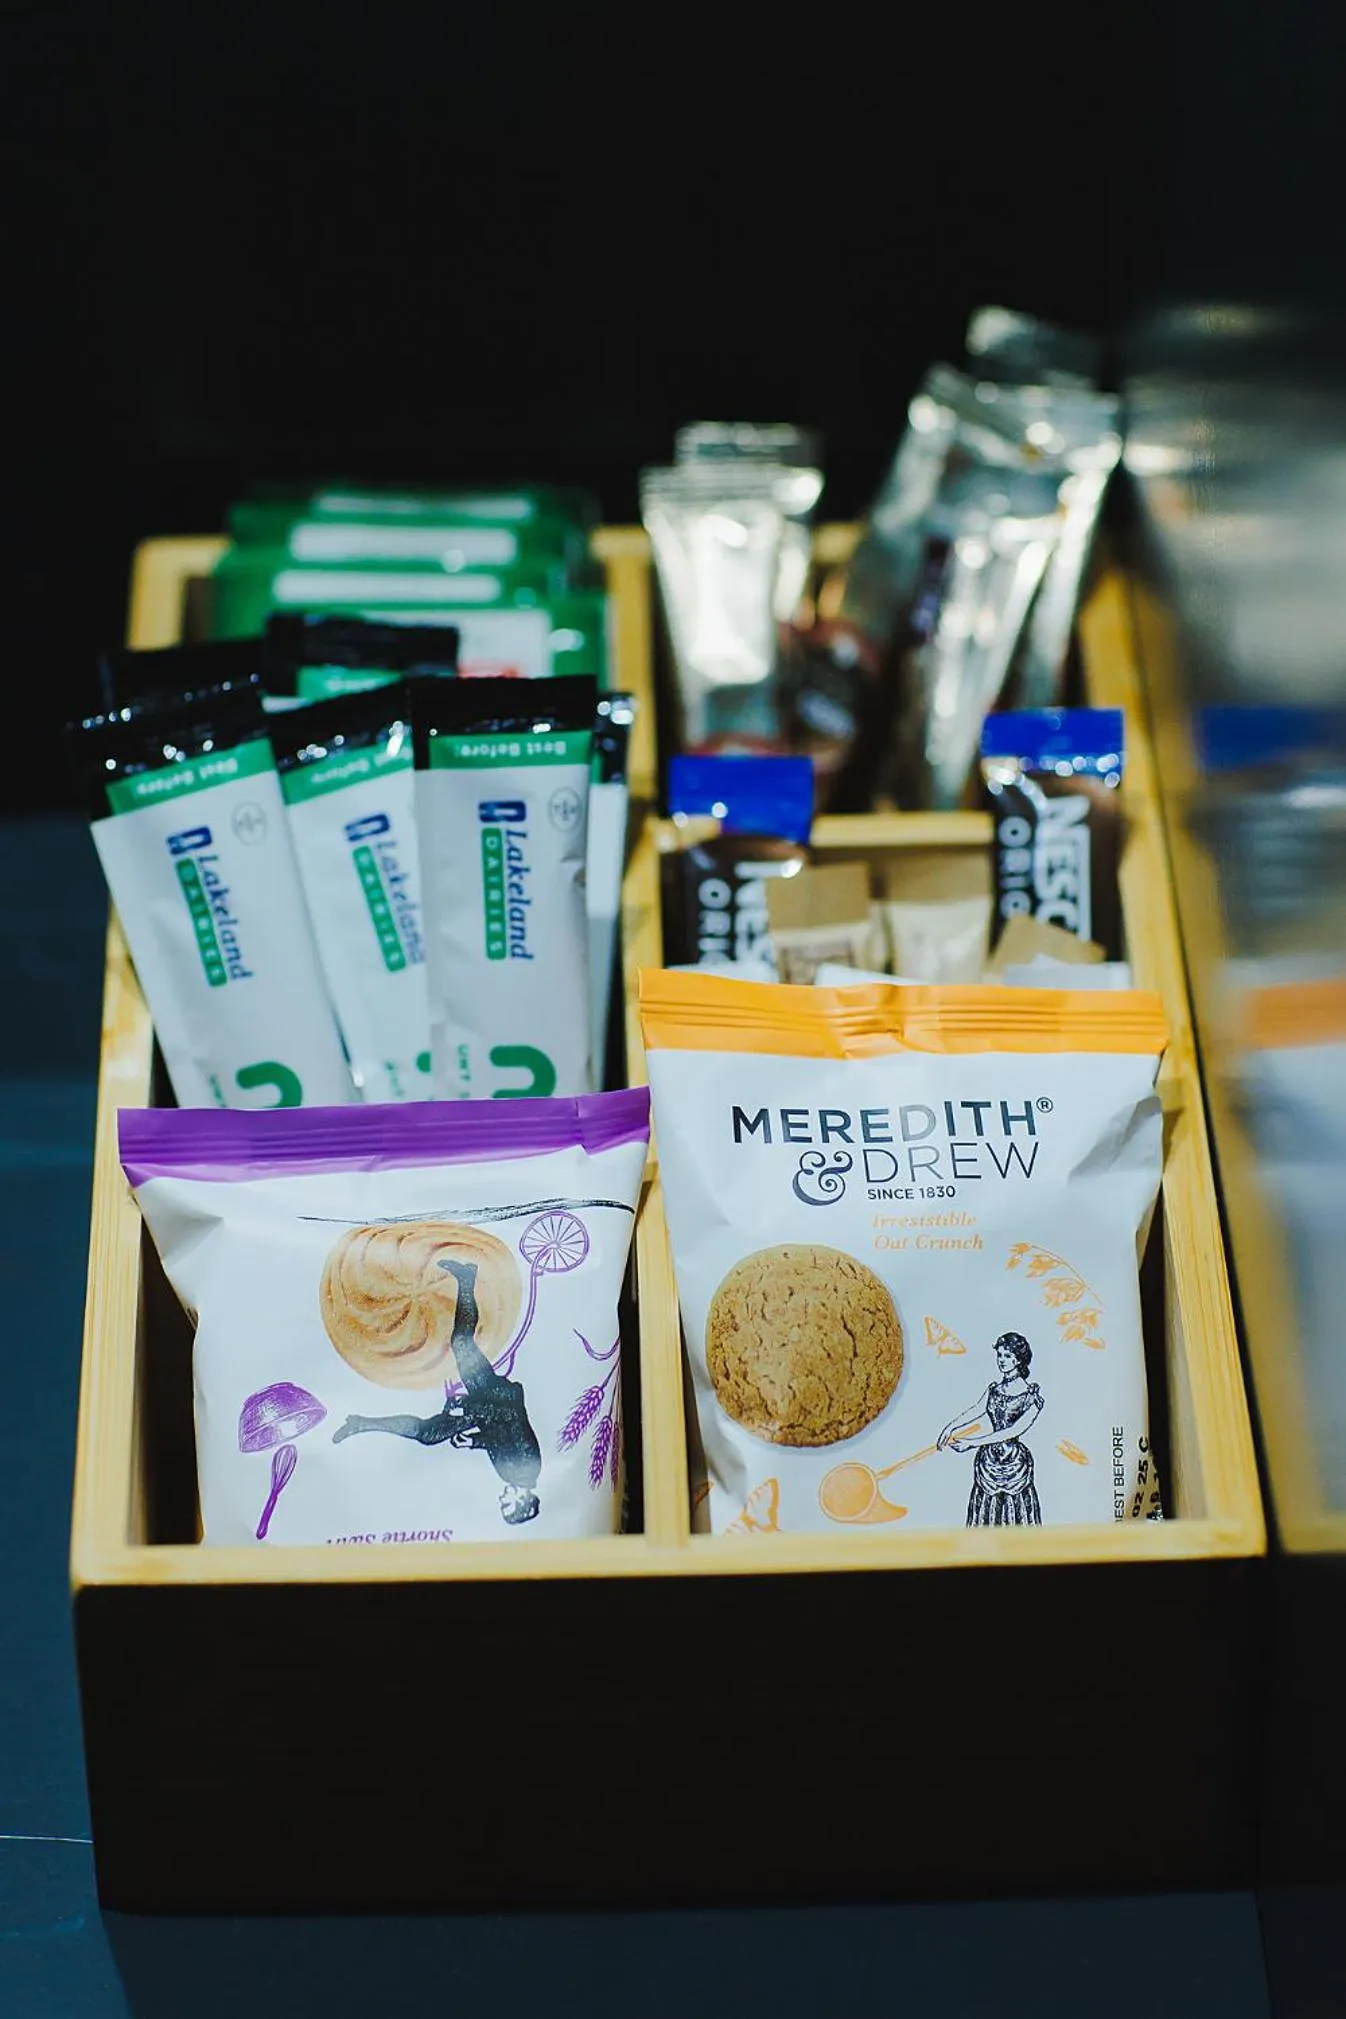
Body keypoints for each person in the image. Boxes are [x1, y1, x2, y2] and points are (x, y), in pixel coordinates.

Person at [332, 1258, 542, 1525]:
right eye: (508, 1507)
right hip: (495, 1399)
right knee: (430, 1426)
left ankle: (361, 1423)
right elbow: (510, 1420)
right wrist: (465, 1408)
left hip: (485, 1407)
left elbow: (500, 1438)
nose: (502, 1502)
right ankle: (467, 1279)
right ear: (521, 1502)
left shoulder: (515, 1475)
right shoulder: (527, 1466)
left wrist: (474, 1441)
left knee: (429, 1430)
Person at [937, 1331, 1043, 1527]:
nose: (1002, 1360)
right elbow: (978, 1409)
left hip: (1014, 1465)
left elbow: (1012, 1431)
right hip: (988, 1462)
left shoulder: (1031, 1397)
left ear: (1019, 1360)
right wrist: (950, 1428)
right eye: (1000, 1355)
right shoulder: (995, 1389)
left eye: (1008, 1356)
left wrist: (971, 1443)